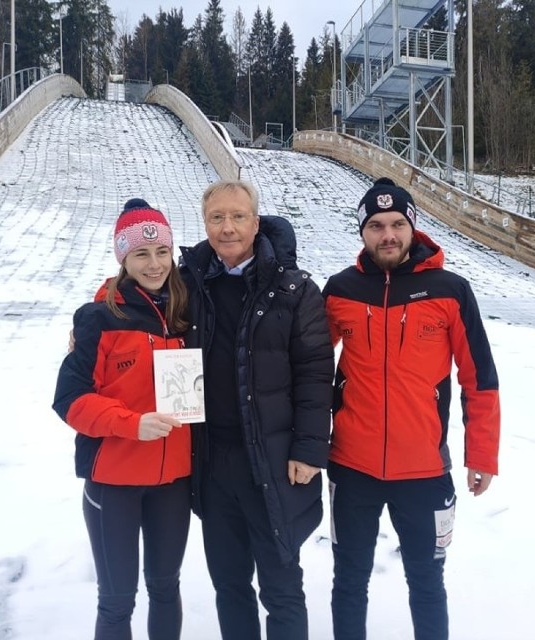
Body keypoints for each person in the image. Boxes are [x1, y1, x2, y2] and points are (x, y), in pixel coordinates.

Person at [322, 177, 501, 640]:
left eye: (397, 223)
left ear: (413, 228)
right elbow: (309, 368)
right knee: (349, 581)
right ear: (362, 232)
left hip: (423, 470)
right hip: (351, 466)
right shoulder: (340, 290)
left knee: (426, 582)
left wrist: (481, 455)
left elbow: (478, 378)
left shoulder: (450, 290)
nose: (388, 235)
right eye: (377, 225)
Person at [179, 179, 334, 640]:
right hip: (213, 462)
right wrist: (87, 318)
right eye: (216, 218)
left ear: (256, 220)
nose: (227, 228)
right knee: (229, 584)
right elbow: (133, 288)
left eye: (238, 216)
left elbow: (315, 372)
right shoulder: (188, 283)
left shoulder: (293, 289)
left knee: (281, 586)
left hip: (272, 459)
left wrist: (309, 449)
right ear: (205, 222)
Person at [52, 198, 192, 640]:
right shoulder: (99, 318)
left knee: (166, 588)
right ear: (123, 258)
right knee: (117, 599)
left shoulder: (188, 313)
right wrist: (130, 423)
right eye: (141, 254)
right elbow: (70, 400)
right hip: (114, 482)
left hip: (173, 481)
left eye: (162, 252)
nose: (154, 265)